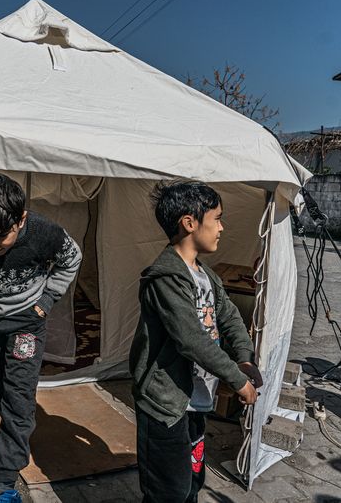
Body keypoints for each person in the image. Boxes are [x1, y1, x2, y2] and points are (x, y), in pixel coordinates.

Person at [129, 180, 263, 503]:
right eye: (216, 218)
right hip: (165, 404)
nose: (221, 227)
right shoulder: (165, 278)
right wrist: (237, 379)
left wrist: (244, 357)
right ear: (189, 223)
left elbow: (229, 316)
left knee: (192, 480)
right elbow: (192, 340)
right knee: (168, 490)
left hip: (196, 402)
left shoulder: (205, 276)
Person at [0, 172, 82, 503]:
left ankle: (6, 485)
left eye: (2, 237)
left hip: (26, 322)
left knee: (19, 400)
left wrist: (46, 301)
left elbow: (72, 259)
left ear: (21, 219)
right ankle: (3, 423)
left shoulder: (45, 233)